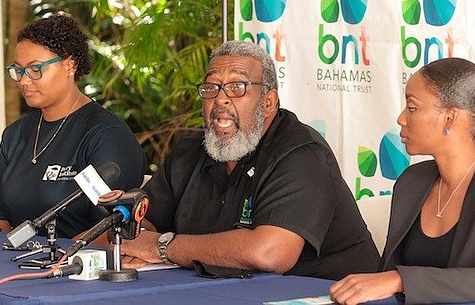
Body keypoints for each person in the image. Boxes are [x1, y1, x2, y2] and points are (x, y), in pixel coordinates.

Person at [120, 40, 380, 279]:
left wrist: (162, 247)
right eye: (212, 87)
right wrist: (136, 237)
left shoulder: (301, 153)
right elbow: (138, 225)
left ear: (268, 103)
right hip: (224, 290)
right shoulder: (190, 153)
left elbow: (270, 253)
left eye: (237, 87)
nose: (220, 98)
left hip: (327, 294)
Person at [330, 58, 475, 304]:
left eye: (412, 108)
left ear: (450, 118)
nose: (401, 119)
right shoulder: (412, 181)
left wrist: (399, 280)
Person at [0, 15, 146, 239]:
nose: (24, 81)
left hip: (76, 266)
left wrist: (55, 260)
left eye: (35, 69)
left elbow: (109, 230)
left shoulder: (107, 135)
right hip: (15, 265)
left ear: (69, 65)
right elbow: (0, 218)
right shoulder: (15, 135)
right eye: (18, 70)